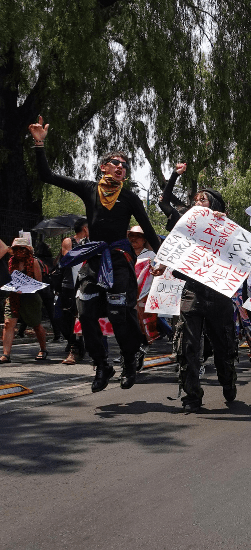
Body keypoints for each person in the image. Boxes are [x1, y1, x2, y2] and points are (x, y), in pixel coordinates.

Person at [30, 116, 160, 392]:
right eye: (116, 163)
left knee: (118, 314)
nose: (121, 168)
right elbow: (47, 176)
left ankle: (128, 360)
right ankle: (102, 365)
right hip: (94, 261)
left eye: (125, 166)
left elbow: (149, 231)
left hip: (119, 262)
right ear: (103, 167)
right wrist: (39, 144)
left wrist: (163, 261)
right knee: (85, 313)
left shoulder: (131, 198)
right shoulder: (88, 189)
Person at [155, 166, 239, 412]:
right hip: (192, 291)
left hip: (219, 293)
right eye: (195, 199)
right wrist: (174, 175)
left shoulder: (227, 228)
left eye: (203, 199)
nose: (197, 202)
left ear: (215, 205)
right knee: (187, 345)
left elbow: (240, 258)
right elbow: (164, 201)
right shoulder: (186, 222)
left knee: (224, 345)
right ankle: (192, 395)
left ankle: (228, 380)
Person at [1, 238, 49, 363]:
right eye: (16, 249)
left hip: (30, 298)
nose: (18, 251)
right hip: (13, 296)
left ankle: (43, 349)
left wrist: (26, 288)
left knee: (36, 325)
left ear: (27, 250)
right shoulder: (11, 262)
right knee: (8, 323)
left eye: (22, 248)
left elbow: (38, 282)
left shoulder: (33, 262)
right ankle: (6, 354)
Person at [57, 218, 88, 364]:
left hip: (85, 284)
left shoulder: (93, 242)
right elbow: (68, 260)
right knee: (63, 318)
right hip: (69, 284)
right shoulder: (69, 241)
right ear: (85, 228)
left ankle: (74, 348)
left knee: (80, 317)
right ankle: (74, 344)